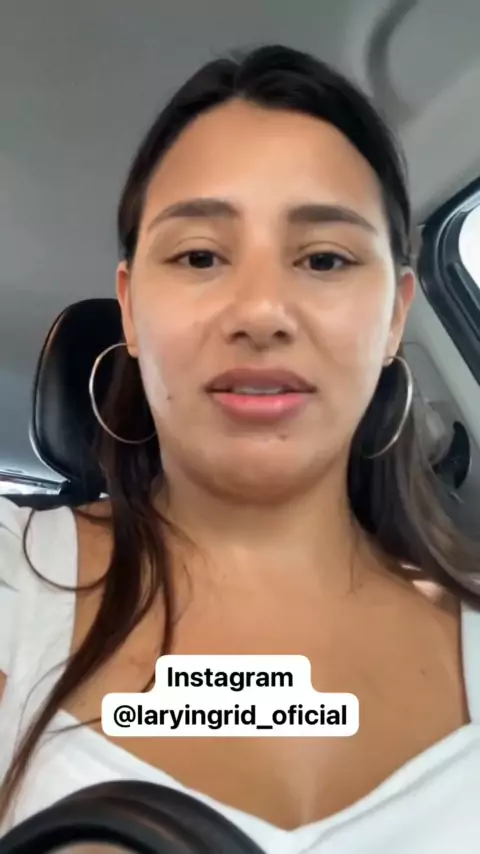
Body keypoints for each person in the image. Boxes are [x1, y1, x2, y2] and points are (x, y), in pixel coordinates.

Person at [0, 43, 479, 853]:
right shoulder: (15, 580)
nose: (260, 312)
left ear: (396, 316)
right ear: (130, 309)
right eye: (199, 256)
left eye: (324, 258)